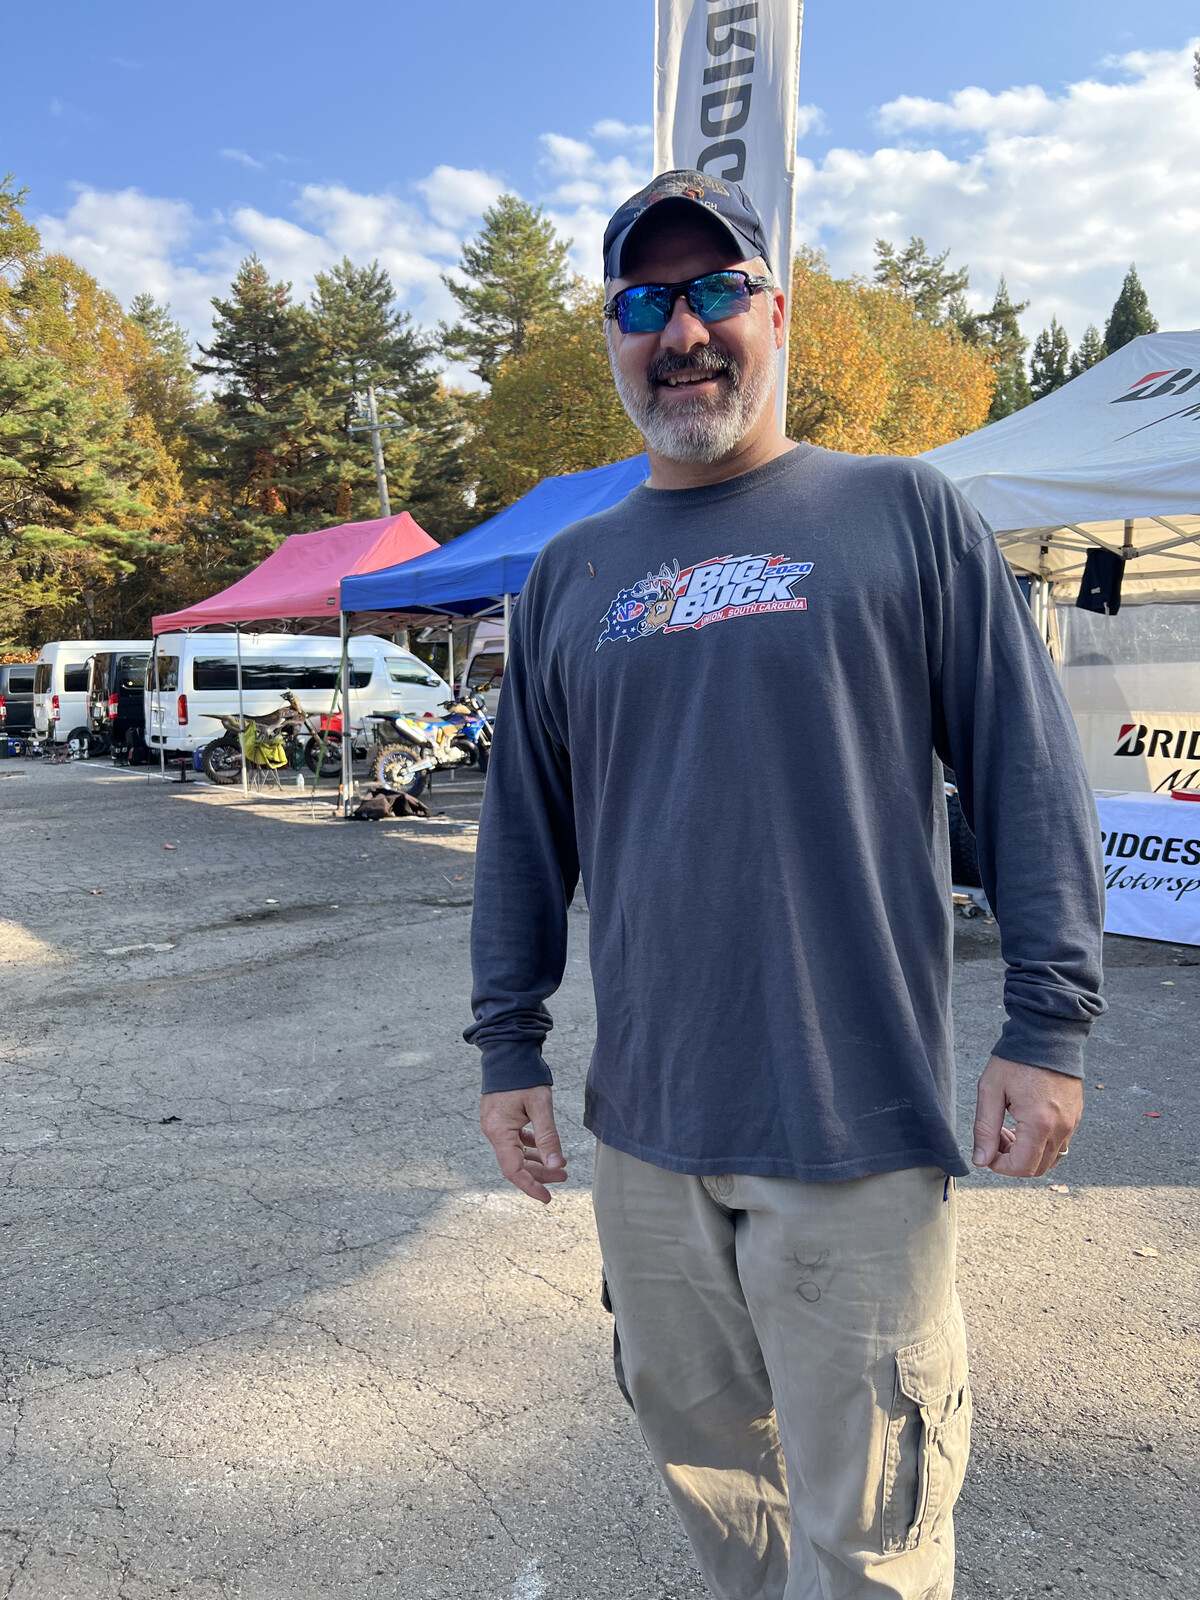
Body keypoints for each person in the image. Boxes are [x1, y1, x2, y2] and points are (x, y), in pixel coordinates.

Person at [466, 170, 1105, 1600]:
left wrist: (1047, 1023)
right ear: (613, 334)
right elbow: (523, 834)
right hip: (647, 1138)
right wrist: (509, 1048)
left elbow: (1025, 772)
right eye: (644, 302)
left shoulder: (901, 513)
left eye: (715, 291)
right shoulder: (569, 574)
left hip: (852, 1127)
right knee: (716, 1487)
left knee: (875, 1532)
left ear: (776, 313)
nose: (681, 331)